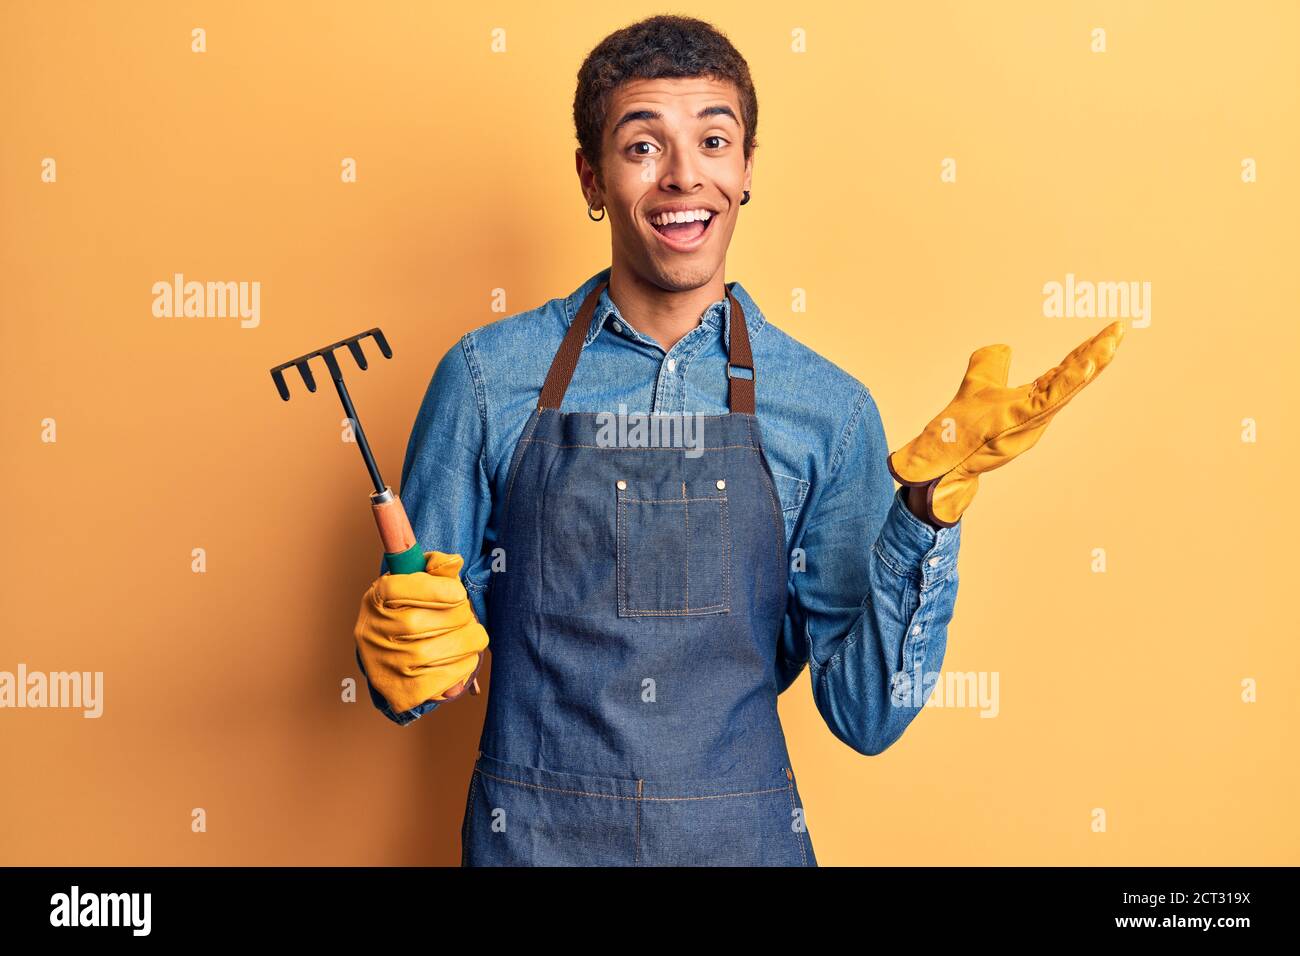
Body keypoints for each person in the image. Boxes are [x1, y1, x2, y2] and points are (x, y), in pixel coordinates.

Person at [352, 14, 1123, 867]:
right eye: (644, 146)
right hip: (533, 844)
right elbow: (421, 674)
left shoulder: (827, 411)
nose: (686, 177)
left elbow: (866, 715)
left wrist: (923, 520)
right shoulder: (488, 380)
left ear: (747, 168)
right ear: (592, 177)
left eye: (714, 141)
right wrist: (403, 653)